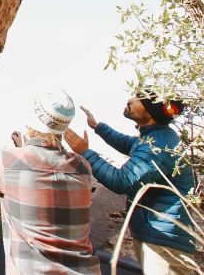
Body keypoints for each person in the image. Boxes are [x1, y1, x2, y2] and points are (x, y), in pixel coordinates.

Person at [0, 93, 102, 275]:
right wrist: (24, 149)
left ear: (30, 123)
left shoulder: (12, 162)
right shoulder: (82, 167)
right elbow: (48, 168)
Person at [64, 89, 195, 275]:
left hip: (163, 243)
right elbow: (129, 144)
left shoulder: (157, 146)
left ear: (150, 112)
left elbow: (122, 180)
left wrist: (85, 152)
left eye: (138, 98)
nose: (130, 99)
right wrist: (98, 127)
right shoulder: (156, 137)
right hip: (160, 238)